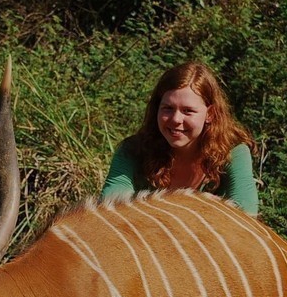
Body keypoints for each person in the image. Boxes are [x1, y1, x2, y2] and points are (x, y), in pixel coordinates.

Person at [101, 61, 259, 217]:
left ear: (210, 114)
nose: (176, 119)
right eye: (168, 108)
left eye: (188, 111)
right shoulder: (132, 150)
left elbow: (246, 216)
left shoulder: (233, 151)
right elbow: (111, 209)